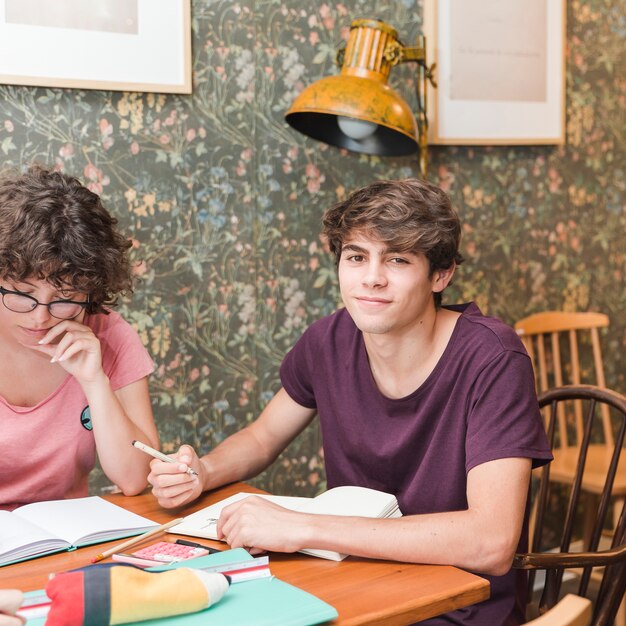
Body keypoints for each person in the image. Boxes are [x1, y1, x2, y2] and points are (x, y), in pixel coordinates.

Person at [148, 178, 552, 625]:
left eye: (397, 259)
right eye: (356, 257)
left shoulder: (492, 357)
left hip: (455, 607)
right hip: (349, 587)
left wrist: (302, 526)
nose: (372, 278)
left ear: (441, 275)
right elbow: (263, 438)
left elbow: (490, 543)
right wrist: (203, 470)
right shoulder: (328, 340)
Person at [0, 165, 158, 511]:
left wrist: (94, 381)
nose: (40, 316)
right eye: (22, 294)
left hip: (61, 541)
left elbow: (134, 479)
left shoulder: (109, 335)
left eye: (65, 297)